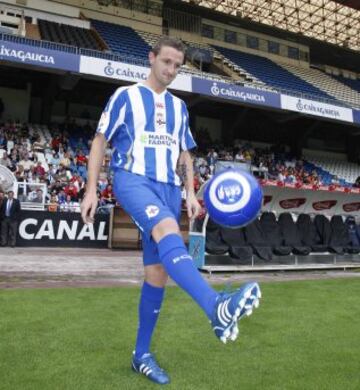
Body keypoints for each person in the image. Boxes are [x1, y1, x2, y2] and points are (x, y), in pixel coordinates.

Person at [81, 36, 261, 386]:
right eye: (166, 62)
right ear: (151, 59)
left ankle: (141, 355)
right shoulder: (126, 96)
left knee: (157, 274)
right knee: (167, 230)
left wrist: (191, 192)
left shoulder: (180, 108)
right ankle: (216, 307)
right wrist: (91, 189)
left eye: (177, 65)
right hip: (132, 178)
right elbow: (100, 140)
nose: (171, 70)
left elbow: (186, 154)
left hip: (167, 188)